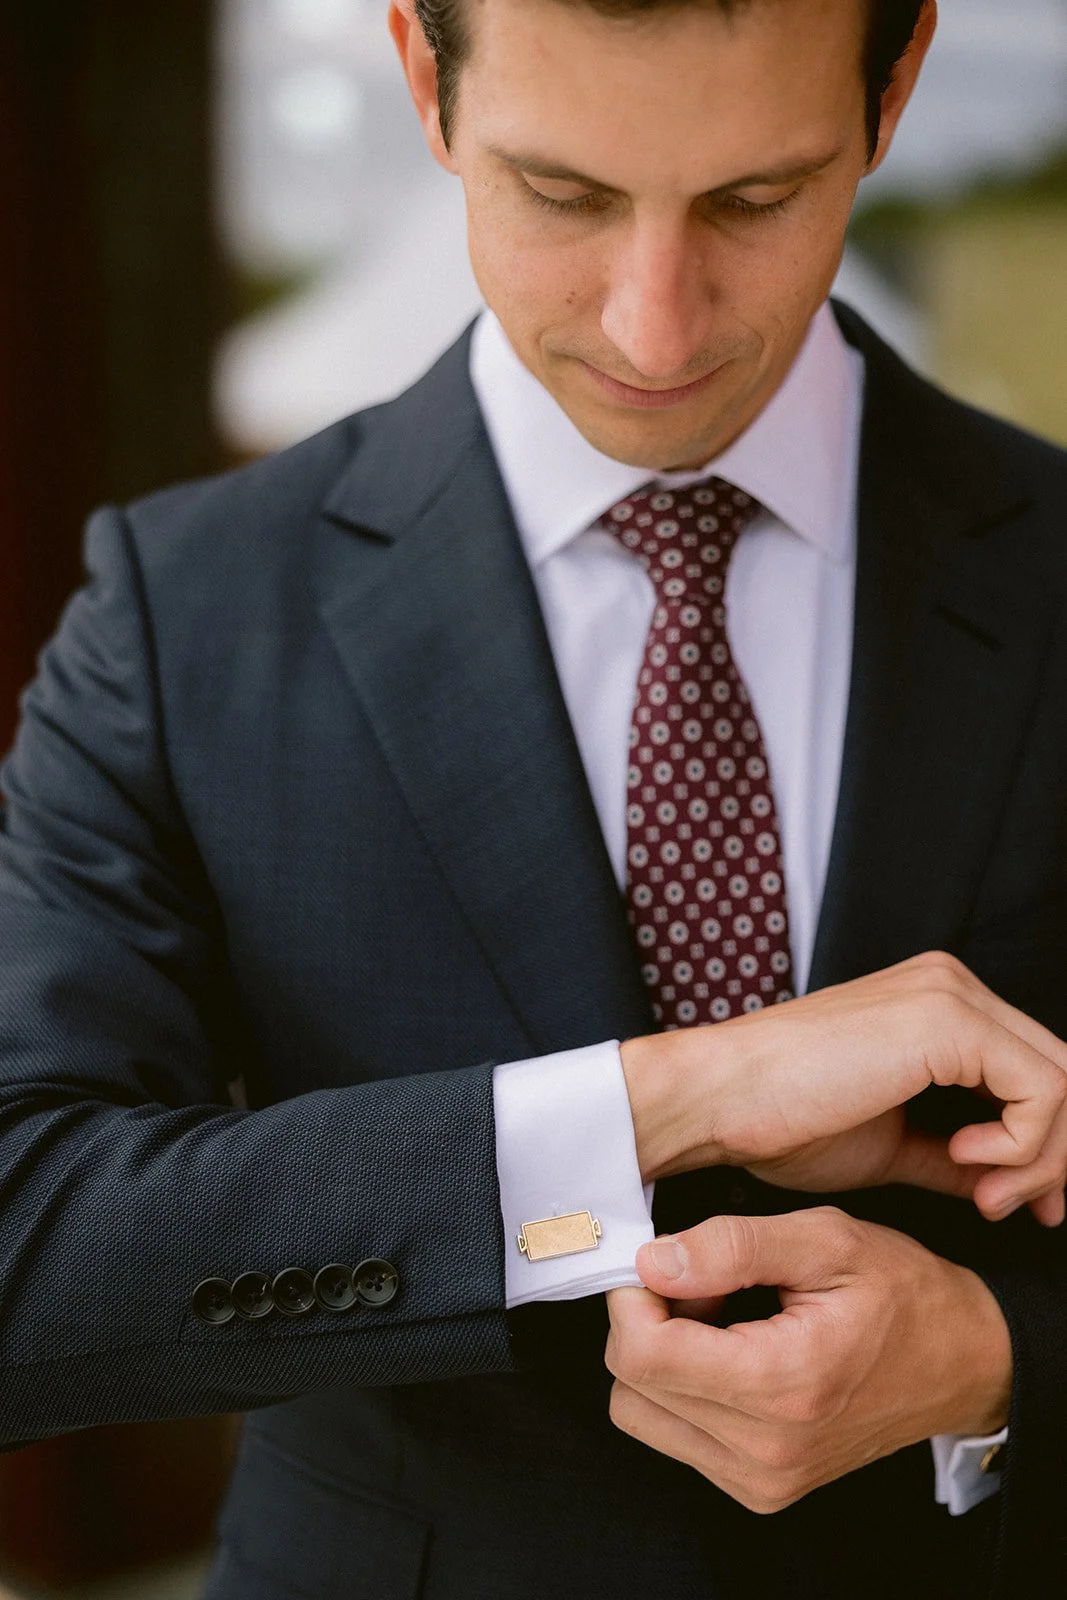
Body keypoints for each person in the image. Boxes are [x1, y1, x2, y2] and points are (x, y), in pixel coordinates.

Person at [1, 0, 1066, 1595]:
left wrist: (999, 1359)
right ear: (426, 81)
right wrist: (674, 1098)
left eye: (753, 201)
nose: (654, 326)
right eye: (561, 195)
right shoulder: (179, 615)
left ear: (895, 80)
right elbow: (28, 1256)